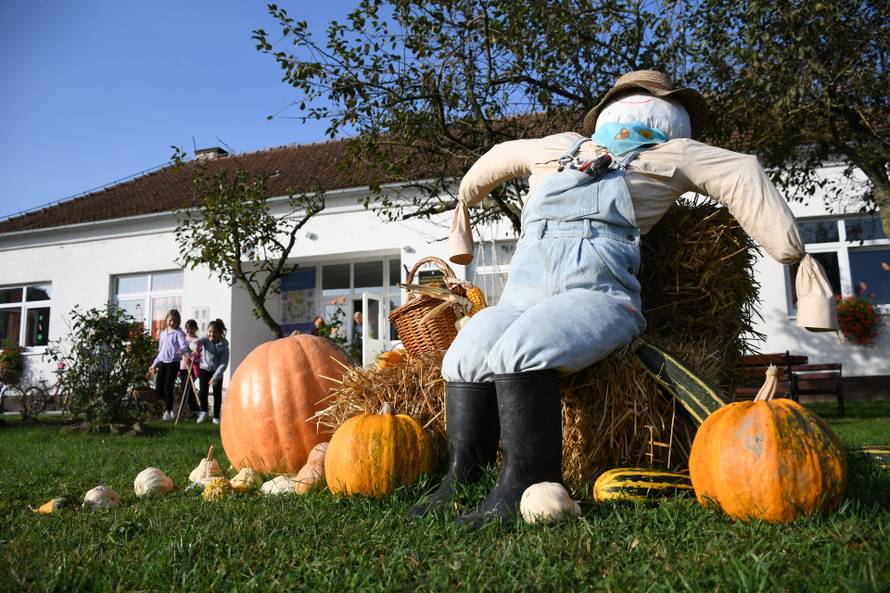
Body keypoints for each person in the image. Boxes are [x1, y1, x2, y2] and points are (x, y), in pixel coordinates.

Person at [411, 70, 837, 525]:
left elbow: (741, 174)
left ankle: (524, 484)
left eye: (650, 99)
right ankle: (463, 475)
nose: (640, 106)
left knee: (521, 349)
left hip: (598, 296)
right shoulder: (560, 147)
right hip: (521, 297)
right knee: (468, 350)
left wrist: (794, 256)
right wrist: (464, 203)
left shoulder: (673, 154)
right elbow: (496, 158)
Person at [148, 309, 189, 421]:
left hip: (174, 362)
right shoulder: (163, 333)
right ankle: (171, 405)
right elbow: (161, 352)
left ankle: (168, 411)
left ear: (178, 322)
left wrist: (181, 350)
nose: (172, 323)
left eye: (174, 321)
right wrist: (154, 364)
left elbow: (184, 345)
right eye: (170, 320)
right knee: (159, 388)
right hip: (163, 362)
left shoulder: (179, 333)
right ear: (166, 320)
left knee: (168, 386)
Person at [193, 319, 229, 425]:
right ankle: (203, 411)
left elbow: (223, 364)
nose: (211, 334)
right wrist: (196, 346)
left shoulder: (224, 347)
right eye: (209, 331)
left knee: (217, 395)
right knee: (203, 392)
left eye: (214, 332)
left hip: (216, 373)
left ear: (219, 333)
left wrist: (215, 377)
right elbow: (196, 342)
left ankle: (216, 417)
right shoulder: (205, 340)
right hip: (204, 369)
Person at [179, 319, 201, 419]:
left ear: (195, 329)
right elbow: (180, 350)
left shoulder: (197, 341)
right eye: (187, 329)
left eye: (191, 329)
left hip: (192, 367)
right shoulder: (184, 338)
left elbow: (199, 355)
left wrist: (192, 357)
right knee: (185, 387)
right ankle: (194, 409)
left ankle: (191, 409)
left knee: (188, 387)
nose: (189, 331)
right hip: (183, 366)